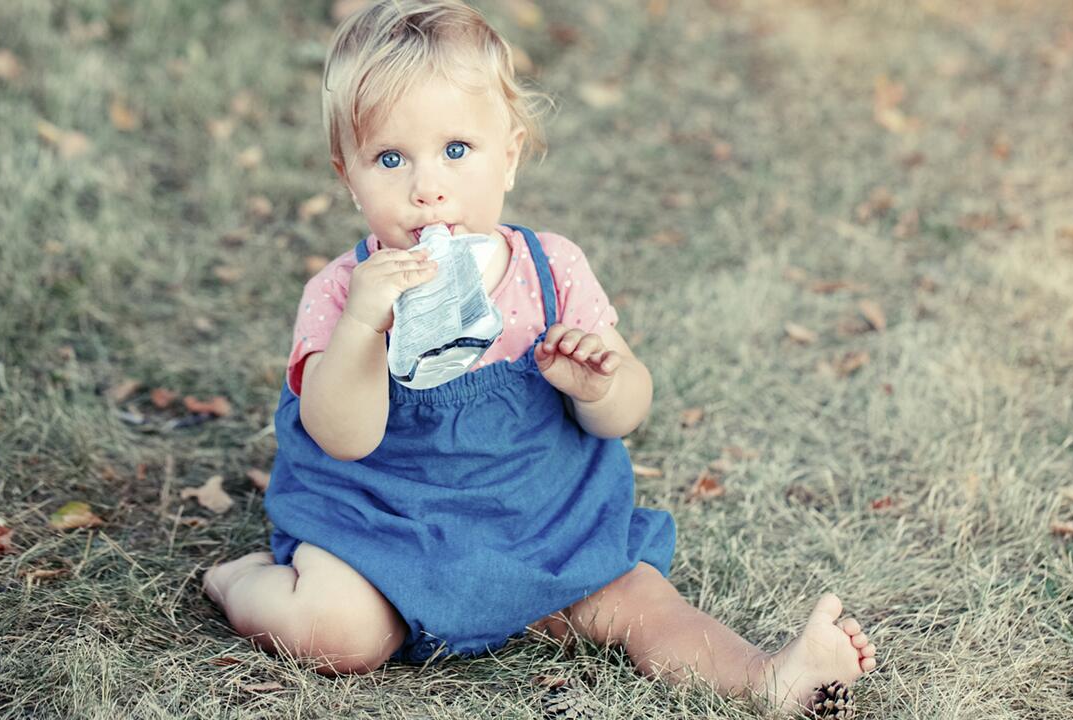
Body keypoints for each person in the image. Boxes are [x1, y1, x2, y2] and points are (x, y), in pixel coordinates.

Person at [201, 0, 876, 711]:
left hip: (540, 527)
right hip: (389, 528)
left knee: (641, 602)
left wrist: (597, 386)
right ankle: (239, 580)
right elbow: (342, 435)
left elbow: (624, 413)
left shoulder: (552, 272)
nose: (426, 187)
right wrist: (366, 329)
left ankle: (768, 679)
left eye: (457, 150)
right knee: (338, 633)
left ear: (511, 157)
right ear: (348, 176)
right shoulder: (344, 293)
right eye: (390, 158)